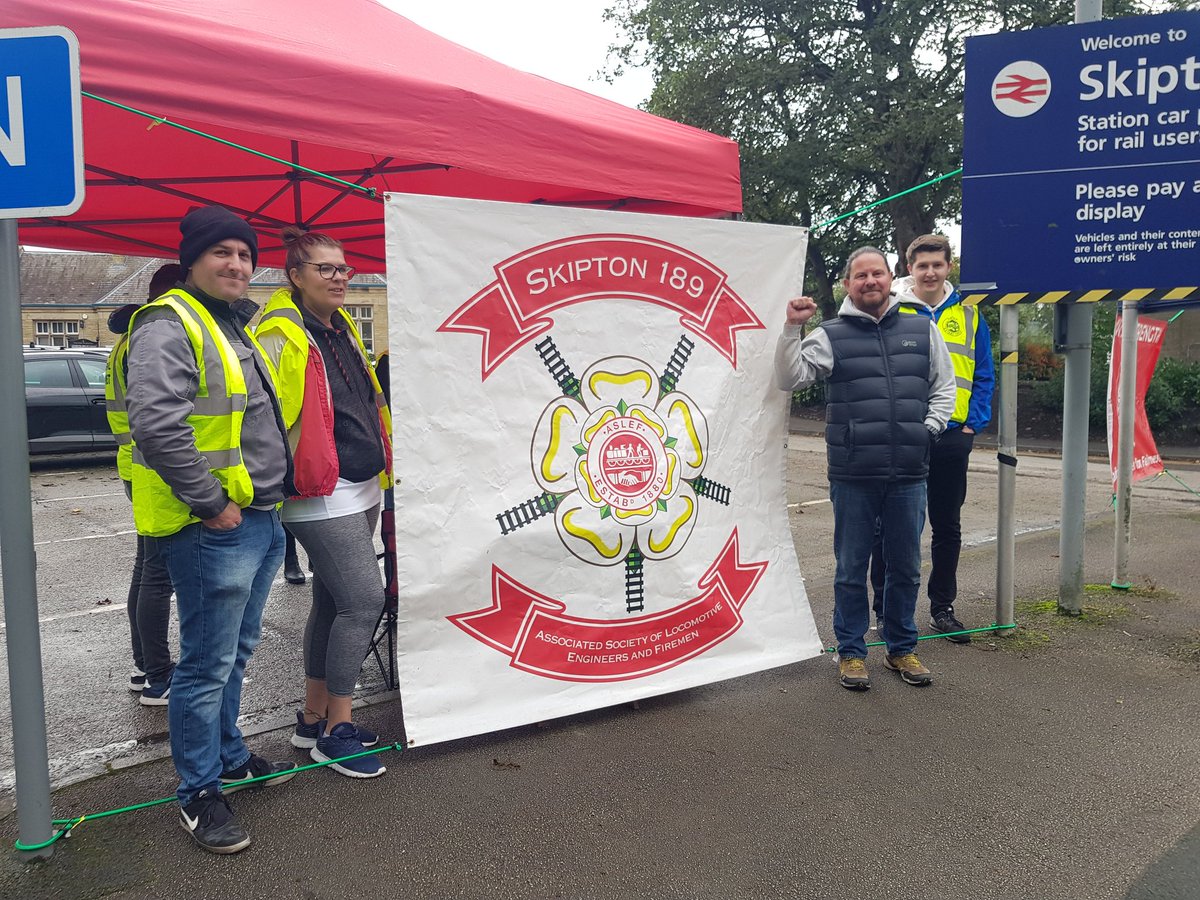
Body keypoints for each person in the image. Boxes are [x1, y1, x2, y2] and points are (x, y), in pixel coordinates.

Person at [125, 206, 297, 854]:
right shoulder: (171, 323)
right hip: (213, 528)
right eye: (223, 252)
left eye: (246, 255)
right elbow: (157, 423)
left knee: (234, 655)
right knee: (204, 666)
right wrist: (209, 504)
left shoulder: (230, 324)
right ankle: (199, 793)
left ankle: (228, 754)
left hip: (255, 518)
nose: (237, 265)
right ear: (194, 258)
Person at [774, 246, 955, 690]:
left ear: (891, 277)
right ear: (848, 284)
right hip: (854, 473)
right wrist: (791, 330)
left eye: (877, 273)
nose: (870, 281)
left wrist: (926, 430)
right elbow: (789, 378)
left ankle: (901, 648)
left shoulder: (921, 328)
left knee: (907, 566)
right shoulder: (830, 334)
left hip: (910, 473)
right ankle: (851, 652)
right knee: (851, 568)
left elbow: (944, 388)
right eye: (860, 276)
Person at [255, 227, 393, 779]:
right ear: (295, 276)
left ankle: (312, 718)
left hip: (360, 483)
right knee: (365, 601)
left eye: (343, 269)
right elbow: (262, 413)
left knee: (334, 603)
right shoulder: (280, 332)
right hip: (317, 490)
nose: (339, 278)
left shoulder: (340, 329)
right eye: (326, 269)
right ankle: (337, 730)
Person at [870, 234, 994, 642]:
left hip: (953, 437)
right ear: (910, 269)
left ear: (948, 267)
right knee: (891, 526)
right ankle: (883, 608)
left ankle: (943, 608)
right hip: (904, 435)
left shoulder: (972, 316)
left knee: (947, 526)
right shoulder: (892, 311)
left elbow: (983, 375)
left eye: (937, 265)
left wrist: (973, 424)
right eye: (922, 265)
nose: (930, 272)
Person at [106, 263, 182, 706]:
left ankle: (144, 665)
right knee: (157, 576)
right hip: (153, 471)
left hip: (137, 466)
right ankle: (157, 675)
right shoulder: (150, 339)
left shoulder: (129, 340)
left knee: (147, 570)